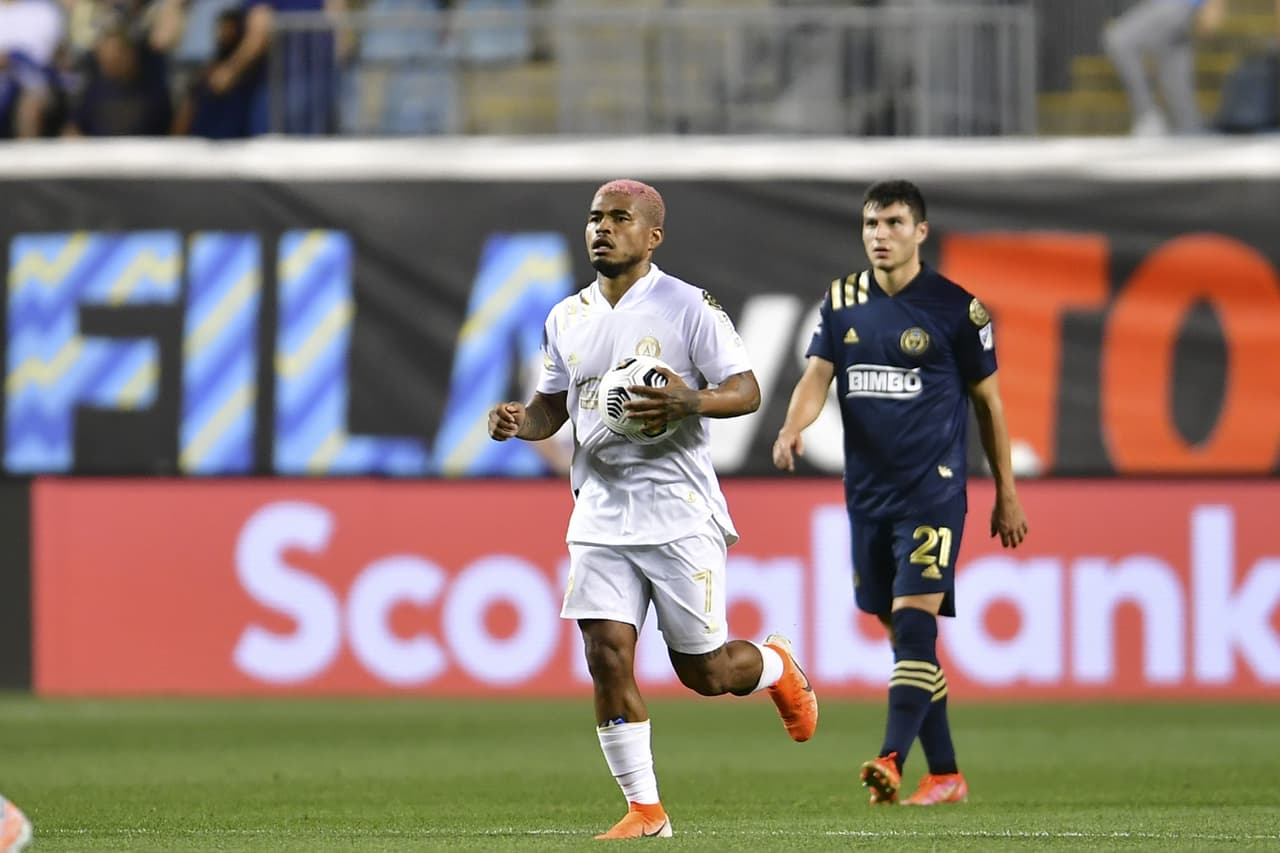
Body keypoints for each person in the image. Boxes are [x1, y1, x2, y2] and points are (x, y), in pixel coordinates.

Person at [487, 179, 818, 839]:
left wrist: (691, 401)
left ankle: (777, 665)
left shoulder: (688, 307)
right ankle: (646, 810)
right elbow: (553, 405)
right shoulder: (566, 316)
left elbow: (747, 390)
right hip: (599, 511)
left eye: (620, 218)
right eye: (595, 218)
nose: (602, 228)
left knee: (706, 672)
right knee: (606, 653)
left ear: (653, 236)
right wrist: (522, 421)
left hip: (677, 511)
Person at [772, 179, 1028, 807]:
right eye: (871, 224)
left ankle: (890, 757)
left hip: (932, 492)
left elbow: (989, 405)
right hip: (867, 495)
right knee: (901, 634)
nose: (880, 235)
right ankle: (946, 775)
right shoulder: (842, 300)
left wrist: (1006, 491)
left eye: (893, 223)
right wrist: (791, 427)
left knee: (914, 626)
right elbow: (816, 377)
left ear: (920, 232)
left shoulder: (957, 310)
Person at [1102, 0, 1228, 136]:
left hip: (1175, 6)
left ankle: (1147, 114)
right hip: (1177, 12)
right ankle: (1190, 127)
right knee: (1179, 97)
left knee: (1118, 39)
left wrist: (1215, 5)